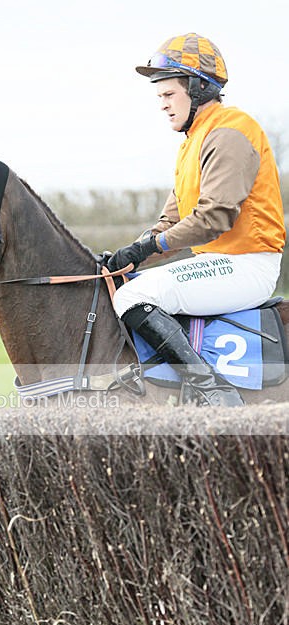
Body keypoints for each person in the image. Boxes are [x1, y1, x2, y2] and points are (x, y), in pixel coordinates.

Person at [109, 32, 285, 406]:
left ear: (199, 87)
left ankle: (214, 392)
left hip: (248, 264)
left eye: (169, 94)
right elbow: (169, 225)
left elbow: (214, 217)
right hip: (218, 263)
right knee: (131, 281)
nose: (163, 105)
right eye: (160, 97)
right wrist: (132, 254)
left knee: (135, 295)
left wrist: (150, 245)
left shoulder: (231, 131)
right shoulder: (193, 142)